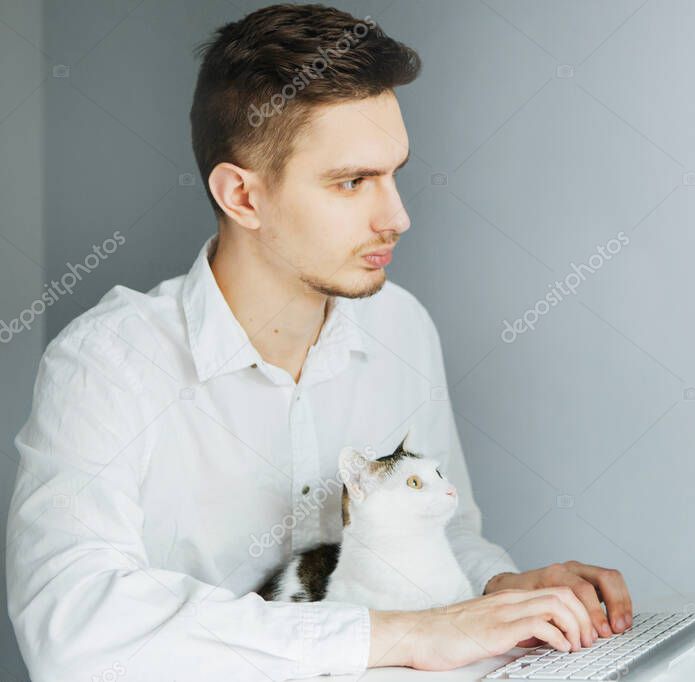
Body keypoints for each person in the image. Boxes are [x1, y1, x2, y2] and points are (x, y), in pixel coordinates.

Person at [5, 4, 633, 680]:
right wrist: (397, 636)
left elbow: (441, 532)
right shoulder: (108, 363)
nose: (397, 217)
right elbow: (70, 625)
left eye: (393, 174)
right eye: (352, 182)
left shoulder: (400, 326)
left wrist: (496, 591)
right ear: (242, 197)